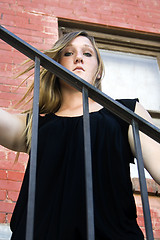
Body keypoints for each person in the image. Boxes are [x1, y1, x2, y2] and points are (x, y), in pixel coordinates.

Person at [0, 31, 160, 240]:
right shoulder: (37, 124)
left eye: (87, 53)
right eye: (68, 53)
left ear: (99, 71)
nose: (78, 58)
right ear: (56, 67)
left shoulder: (126, 113)